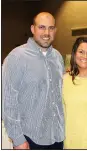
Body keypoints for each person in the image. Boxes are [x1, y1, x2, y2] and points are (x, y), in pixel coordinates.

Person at [2, 12, 65, 149]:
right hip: (29, 139)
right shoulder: (16, 57)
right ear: (32, 29)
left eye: (51, 28)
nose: (46, 32)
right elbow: (8, 101)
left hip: (57, 136)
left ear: (55, 30)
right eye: (42, 27)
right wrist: (18, 139)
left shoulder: (58, 57)